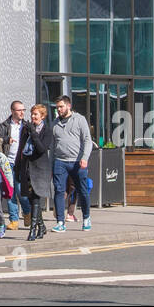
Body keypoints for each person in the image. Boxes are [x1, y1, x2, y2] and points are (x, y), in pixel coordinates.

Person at [50, 95, 93, 232]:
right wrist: (52, 165)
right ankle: (60, 222)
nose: (59, 110)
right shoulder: (55, 123)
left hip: (77, 161)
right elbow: (52, 145)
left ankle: (86, 217)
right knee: (59, 190)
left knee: (83, 190)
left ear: (68, 106)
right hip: (60, 161)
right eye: (57, 108)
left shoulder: (79, 120)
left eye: (61, 107)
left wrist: (85, 157)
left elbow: (87, 140)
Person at [14, 103, 53, 241]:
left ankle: (32, 230)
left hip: (40, 169)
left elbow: (42, 149)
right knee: (30, 199)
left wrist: (34, 133)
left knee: (36, 198)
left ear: (42, 116)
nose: (33, 117)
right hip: (27, 167)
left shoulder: (47, 131)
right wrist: (18, 166)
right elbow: (21, 148)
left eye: (36, 114)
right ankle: (41, 226)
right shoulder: (26, 129)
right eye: (32, 114)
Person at [0, 101, 32, 230]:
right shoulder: (4, 125)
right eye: (19, 110)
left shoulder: (27, 126)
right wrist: (6, 140)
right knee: (10, 191)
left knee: (21, 191)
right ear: (12, 111)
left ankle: (27, 212)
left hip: (21, 163)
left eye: (23, 110)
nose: (22, 112)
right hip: (8, 162)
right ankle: (14, 220)